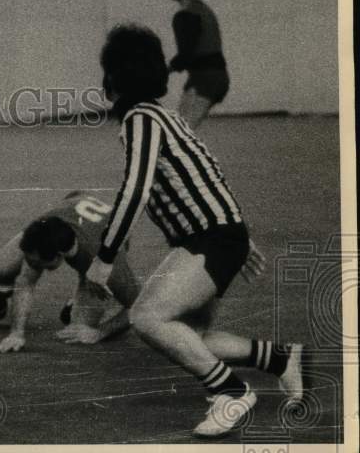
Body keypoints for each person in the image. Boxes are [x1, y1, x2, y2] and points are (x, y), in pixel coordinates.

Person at [86, 24, 304, 437]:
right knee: (192, 335)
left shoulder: (139, 120)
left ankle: (232, 393)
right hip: (219, 235)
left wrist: (104, 259)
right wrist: (240, 234)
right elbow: (208, 172)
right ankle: (279, 359)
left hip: (212, 238)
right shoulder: (167, 117)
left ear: (114, 78)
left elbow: (135, 189)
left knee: (147, 317)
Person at [0, 191, 142, 352]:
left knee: (79, 327)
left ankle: (89, 299)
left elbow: (140, 308)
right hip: (72, 205)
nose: (33, 266)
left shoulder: (105, 261)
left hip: (101, 237)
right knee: (0, 270)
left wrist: (100, 332)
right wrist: (16, 333)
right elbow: (25, 282)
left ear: (59, 256)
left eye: (38, 263)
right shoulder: (44, 229)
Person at [167, 0, 230, 129]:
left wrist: (161, 71)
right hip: (211, 77)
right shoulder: (204, 9)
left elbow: (185, 57)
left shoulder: (185, 15)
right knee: (178, 131)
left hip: (206, 80)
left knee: (178, 135)